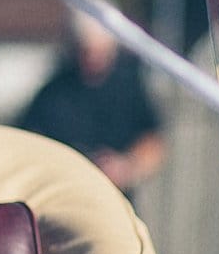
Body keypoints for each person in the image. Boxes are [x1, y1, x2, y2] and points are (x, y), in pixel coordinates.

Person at [18, 11, 165, 198]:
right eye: (85, 51)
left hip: (116, 200)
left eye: (99, 51)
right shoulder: (53, 94)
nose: (92, 59)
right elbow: (31, 142)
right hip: (67, 197)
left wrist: (126, 166)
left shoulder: (128, 88)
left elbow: (153, 141)